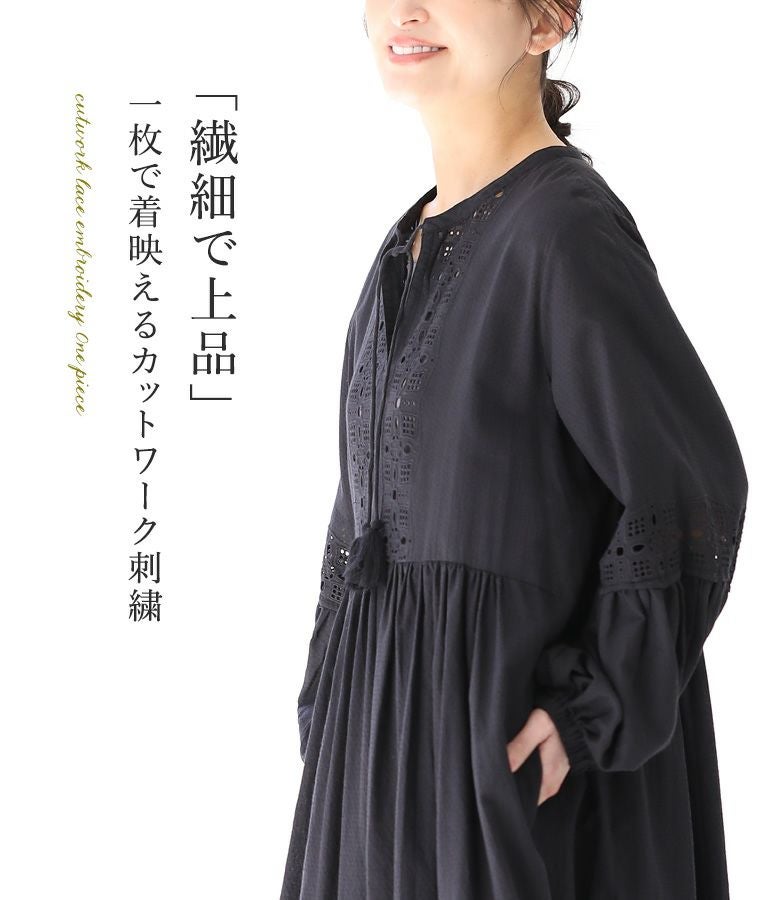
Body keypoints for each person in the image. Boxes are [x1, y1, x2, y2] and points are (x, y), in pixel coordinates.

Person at [280, 2, 749, 898]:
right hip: (388, 786)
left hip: (506, 793)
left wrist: (586, 709)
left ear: (546, 22)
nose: (403, 10)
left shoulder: (563, 231)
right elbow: (359, 531)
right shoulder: (406, 246)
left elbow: (688, 490)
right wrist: (337, 716)